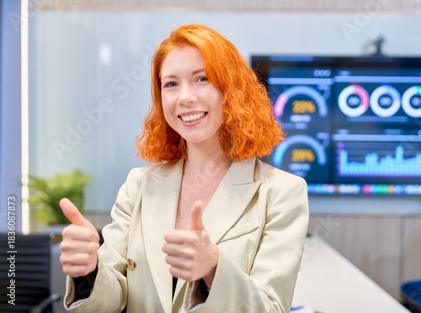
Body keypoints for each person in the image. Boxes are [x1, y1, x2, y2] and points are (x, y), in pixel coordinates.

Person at [59, 24, 309, 313]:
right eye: (171, 84)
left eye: (202, 79)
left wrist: (215, 269)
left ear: (232, 90)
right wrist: (89, 272)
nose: (185, 97)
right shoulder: (138, 185)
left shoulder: (281, 193)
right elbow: (113, 300)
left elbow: (271, 308)